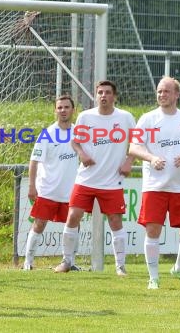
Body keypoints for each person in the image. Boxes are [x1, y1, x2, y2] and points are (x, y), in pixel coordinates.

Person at [54, 80, 135, 275]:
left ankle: (120, 266)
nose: (103, 96)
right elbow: (75, 142)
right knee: (73, 216)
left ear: (114, 96)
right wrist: (81, 153)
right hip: (86, 179)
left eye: (107, 92)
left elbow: (137, 141)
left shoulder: (125, 117)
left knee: (115, 220)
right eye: (100, 92)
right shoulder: (85, 117)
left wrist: (129, 161)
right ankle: (67, 261)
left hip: (112, 180)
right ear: (96, 95)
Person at [129, 77, 180, 290]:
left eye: (166, 91)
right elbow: (133, 148)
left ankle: (179, 267)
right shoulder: (147, 119)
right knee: (153, 231)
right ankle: (153, 277)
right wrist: (151, 158)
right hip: (154, 186)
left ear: (177, 94)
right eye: (159, 91)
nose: (162, 95)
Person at [23, 95, 79, 270]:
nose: (63, 110)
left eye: (66, 107)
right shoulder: (47, 134)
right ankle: (28, 263)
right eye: (59, 107)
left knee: (74, 225)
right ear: (55, 110)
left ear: (73, 110)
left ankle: (69, 262)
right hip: (48, 189)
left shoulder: (79, 132)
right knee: (39, 224)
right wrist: (32, 186)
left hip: (71, 192)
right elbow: (34, 161)